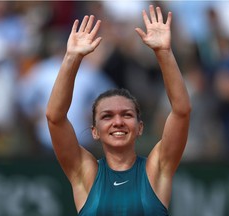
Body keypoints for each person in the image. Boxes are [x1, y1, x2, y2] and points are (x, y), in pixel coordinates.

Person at [46, 5, 191, 216]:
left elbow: (181, 111)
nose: (118, 122)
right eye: (107, 116)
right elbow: (55, 118)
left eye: (127, 114)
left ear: (140, 127)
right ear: (94, 130)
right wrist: (72, 58)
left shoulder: (157, 169)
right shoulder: (85, 173)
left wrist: (164, 52)